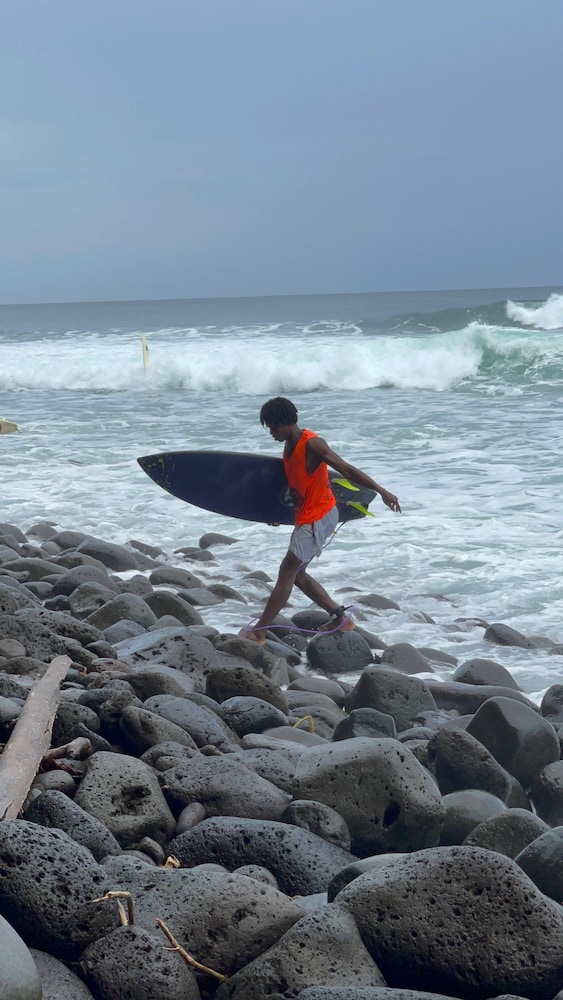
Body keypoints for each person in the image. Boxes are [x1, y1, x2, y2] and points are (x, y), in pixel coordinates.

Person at [241, 396, 401, 644]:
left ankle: (260, 630)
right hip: (308, 515)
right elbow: (297, 486)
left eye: (273, 427)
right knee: (298, 575)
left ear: (285, 422)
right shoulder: (289, 445)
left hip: (319, 516)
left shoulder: (312, 444)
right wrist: (275, 513)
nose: (271, 433)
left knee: (287, 571)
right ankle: (340, 618)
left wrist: (381, 491)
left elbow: (345, 469)